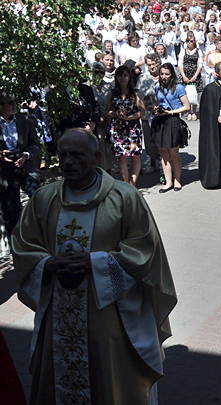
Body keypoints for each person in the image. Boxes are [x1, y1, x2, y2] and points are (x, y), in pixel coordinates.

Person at [11, 128, 177, 405]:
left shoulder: (124, 197)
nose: (68, 162)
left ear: (97, 157)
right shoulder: (44, 198)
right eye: (63, 155)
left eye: (77, 155)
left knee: (109, 384)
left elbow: (145, 251)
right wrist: (48, 264)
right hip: (59, 315)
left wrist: (94, 263)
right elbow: (23, 245)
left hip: (110, 317)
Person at [0, 91, 41, 244]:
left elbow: (35, 145)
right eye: (9, 102)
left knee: (39, 201)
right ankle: (17, 247)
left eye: (14, 101)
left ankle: (43, 238)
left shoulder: (25, 120)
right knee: (11, 213)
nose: (13, 105)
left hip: (25, 167)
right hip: (5, 174)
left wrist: (26, 155)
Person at [151, 63, 190, 193]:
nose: (164, 76)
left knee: (174, 153)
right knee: (163, 153)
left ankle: (177, 180)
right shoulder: (157, 87)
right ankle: (168, 182)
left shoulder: (178, 88)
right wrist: (156, 109)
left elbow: (187, 106)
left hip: (173, 121)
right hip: (160, 121)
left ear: (172, 74)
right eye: (162, 74)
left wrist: (171, 112)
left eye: (167, 74)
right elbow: (157, 102)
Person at [104, 65, 146, 187]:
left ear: (129, 77)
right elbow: (107, 111)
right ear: (116, 77)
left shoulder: (135, 93)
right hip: (118, 129)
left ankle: (132, 184)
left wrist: (130, 117)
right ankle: (126, 184)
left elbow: (142, 111)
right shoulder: (112, 93)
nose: (122, 78)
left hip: (133, 128)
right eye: (120, 75)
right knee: (122, 157)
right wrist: (116, 114)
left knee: (135, 156)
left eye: (125, 75)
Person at [198, 61, 221, 190]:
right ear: (217, 73)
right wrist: (215, 117)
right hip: (213, 128)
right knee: (214, 149)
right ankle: (214, 179)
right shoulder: (210, 89)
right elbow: (206, 111)